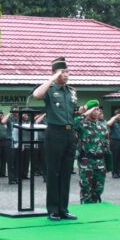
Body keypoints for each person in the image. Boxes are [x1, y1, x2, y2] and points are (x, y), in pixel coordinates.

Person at [32, 57, 79, 221]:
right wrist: (52, 78)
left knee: (66, 172)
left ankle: (63, 209)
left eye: (67, 71)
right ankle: (52, 209)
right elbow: (36, 94)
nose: (67, 74)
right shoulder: (50, 89)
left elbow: (73, 112)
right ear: (56, 73)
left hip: (69, 133)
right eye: (63, 72)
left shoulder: (71, 91)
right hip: (55, 133)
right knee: (54, 172)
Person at [76, 100, 110, 204]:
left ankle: (96, 210)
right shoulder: (82, 123)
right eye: (94, 109)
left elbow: (106, 144)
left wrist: (107, 163)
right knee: (86, 189)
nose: (97, 112)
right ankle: (86, 210)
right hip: (86, 161)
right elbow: (73, 124)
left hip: (100, 162)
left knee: (99, 189)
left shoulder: (102, 125)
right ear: (89, 111)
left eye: (98, 110)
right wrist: (83, 114)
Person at [0, 111, 9, 178]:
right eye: (0, 116)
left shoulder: (6, 123)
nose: (1, 116)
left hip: (5, 142)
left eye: (2, 115)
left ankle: (2, 173)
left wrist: (4, 116)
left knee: (4, 158)